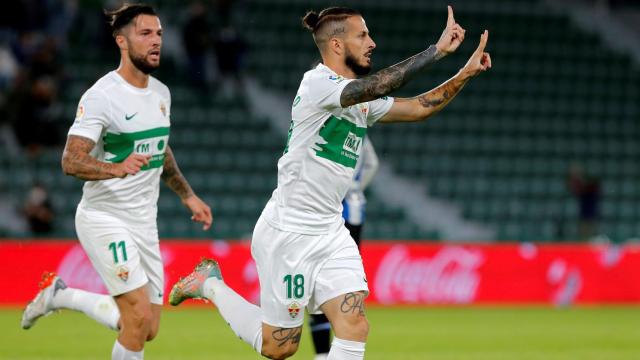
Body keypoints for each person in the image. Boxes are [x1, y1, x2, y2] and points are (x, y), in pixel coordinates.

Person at [169, 6, 490, 360]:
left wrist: (464, 73)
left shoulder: (359, 102)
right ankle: (210, 285)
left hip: (330, 230)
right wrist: (437, 52)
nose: (372, 42)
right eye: (363, 35)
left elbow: (418, 108)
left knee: (355, 326)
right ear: (336, 45)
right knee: (280, 347)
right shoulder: (318, 83)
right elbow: (378, 84)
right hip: (289, 233)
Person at [20, 4, 212, 360]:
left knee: (147, 327)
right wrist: (115, 168)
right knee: (136, 318)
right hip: (104, 217)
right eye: (145, 34)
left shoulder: (161, 93)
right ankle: (60, 296)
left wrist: (188, 195)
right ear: (121, 41)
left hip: (143, 222)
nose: (156, 41)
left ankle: (60, 295)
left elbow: (160, 149)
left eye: (159, 34)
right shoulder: (102, 96)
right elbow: (70, 159)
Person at [310, 136, 378, 359]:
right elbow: (372, 163)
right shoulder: (360, 133)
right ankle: (345, 342)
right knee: (347, 278)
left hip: (326, 209)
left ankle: (322, 352)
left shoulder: (327, 129)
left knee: (317, 277)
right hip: (354, 210)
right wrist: (357, 188)